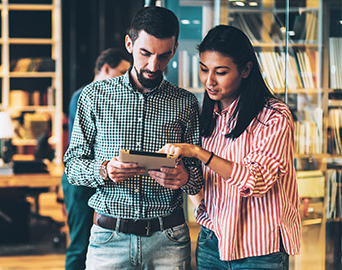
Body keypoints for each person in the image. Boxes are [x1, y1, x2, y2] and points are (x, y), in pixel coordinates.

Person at [64, 6, 203, 269]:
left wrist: (185, 177)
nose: (153, 65)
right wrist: (105, 170)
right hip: (108, 240)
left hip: (169, 241)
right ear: (129, 44)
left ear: (174, 50)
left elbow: (198, 176)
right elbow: (72, 166)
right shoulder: (94, 96)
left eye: (163, 56)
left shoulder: (185, 103)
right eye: (145, 53)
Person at [161, 25, 301, 269]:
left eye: (221, 72)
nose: (209, 80)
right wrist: (197, 200)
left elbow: (255, 180)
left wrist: (198, 152)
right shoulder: (207, 115)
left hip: (260, 249)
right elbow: (199, 178)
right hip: (212, 242)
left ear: (246, 70)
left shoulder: (274, 117)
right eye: (204, 69)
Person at [62, 48, 131, 270]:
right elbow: (82, 151)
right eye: (121, 72)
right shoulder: (86, 95)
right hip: (82, 180)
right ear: (106, 68)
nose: (124, 78)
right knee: (80, 242)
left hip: (100, 175)